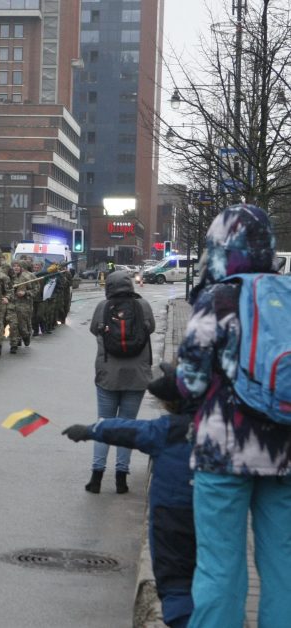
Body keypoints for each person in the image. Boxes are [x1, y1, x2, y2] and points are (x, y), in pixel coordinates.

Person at [175, 204, 291, 627]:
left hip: (223, 450)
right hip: (284, 452)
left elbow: (190, 379)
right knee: (283, 564)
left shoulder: (218, 297)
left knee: (220, 563)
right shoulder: (288, 294)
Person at [63, 362, 197, 628]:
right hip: (216, 515)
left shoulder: (168, 430)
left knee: (175, 584)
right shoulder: (227, 429)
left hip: (171, 519)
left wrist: (90, 430)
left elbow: (129, 430)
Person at [86, 269, 155, 493]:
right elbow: (150, 328)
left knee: (104, 423)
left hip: (108, 375)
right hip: (136, 377)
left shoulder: (103, 307)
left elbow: (93, 330)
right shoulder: (143, 306)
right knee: (127, 425)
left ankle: (96, 478)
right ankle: (121, 479)